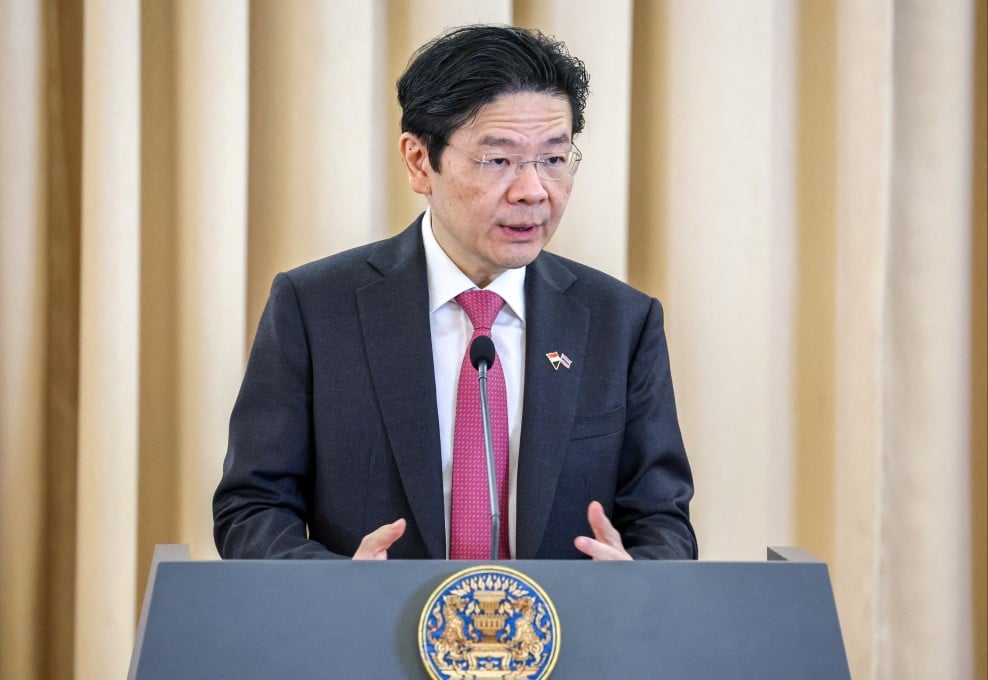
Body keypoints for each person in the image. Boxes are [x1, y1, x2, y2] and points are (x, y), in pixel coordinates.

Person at [212, 24, 696, 561]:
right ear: (420, 161)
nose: (533, 190)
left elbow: (662, 522)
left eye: (554, 160)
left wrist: (637, 582)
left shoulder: (621, 322)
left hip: (566, 619)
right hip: (374, 617)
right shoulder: (314, 308)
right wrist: (337, 589)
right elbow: (252, 508)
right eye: (498, 160)